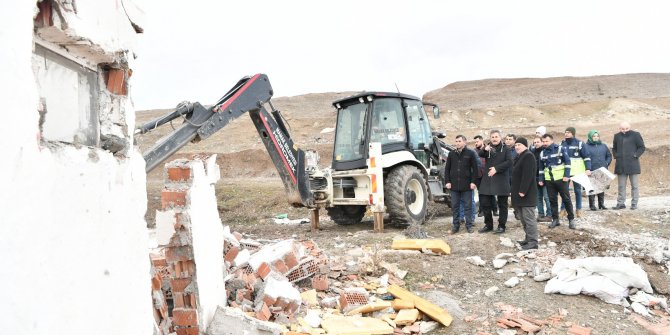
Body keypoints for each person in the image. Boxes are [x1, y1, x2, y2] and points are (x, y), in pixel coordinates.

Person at [478, 130, 513, 234]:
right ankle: (488, 225)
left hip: (501, 178)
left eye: (496, 137)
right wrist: (485, 149)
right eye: (492, 137)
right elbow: (480, 153)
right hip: (488, 179)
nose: (494, 138)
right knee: (485, 202)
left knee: (502, 204)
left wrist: (496, 169)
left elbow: (509, 162)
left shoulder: (506, 148)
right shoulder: (488, 148)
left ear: (500, 138)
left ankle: (502, 226)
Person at [538, 133, 576, 229]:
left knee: (566, 199)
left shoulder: (560, 149)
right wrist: (541, 179)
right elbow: (541, 168)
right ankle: (555, 220)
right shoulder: (542, 153)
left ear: (551, 140)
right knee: (552, 200)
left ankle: (571, 219)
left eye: (546, 141)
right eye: (543, 141)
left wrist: (566, 175)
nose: (545, 143)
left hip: (561, 179)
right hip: (549, 180)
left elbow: (568, 162)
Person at [445, 135, 478, 233]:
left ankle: (469, 226)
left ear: (464, 142)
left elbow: (475, 169)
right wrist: (447, 181)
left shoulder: (471, 153)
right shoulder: (451, 154)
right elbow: (447, 169)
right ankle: (456, 226)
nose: (457, 143)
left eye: (459, 141)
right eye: (456, 141)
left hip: (467, 185)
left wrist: (473, 182)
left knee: (468, 206)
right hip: (454, 185)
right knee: (455, 206)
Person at [511, 137, 539, 250]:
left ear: (525, 146)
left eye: (519, 145)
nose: (517, 147)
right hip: (519, 194)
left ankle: (533, 242)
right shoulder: (519, 157)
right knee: (523, 218)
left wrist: (523, 190)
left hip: (526, 194)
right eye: (516, 145)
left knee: (529, 219)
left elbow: (527, 175)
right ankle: (528, 239)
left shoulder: (528, 156)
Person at [612, 122, 645, 210]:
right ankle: (620, 203)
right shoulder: (617, 136)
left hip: (632, 164)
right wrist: (616, 155)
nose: (624, 130)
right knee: (621, 186)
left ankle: (634, 204)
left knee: (634, 186)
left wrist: (635, 155)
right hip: (620, 165)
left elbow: (642, 147)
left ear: (629, 127)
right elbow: (614, 148)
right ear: (619, 128)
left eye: (626, 128)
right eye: (622, 129)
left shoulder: (636, 135)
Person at [560, 127, 592, 218]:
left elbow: (587, 157)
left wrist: (588, 168)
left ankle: (579, 210)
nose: (566, 134)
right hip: (566, 172)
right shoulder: (562, 144)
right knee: (564, 192)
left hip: (578, 172)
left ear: (573, 133)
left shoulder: (580, 143)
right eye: (565, 132)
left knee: (578, 191)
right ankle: (563, 210)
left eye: (568, 132)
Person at [585, 130, 612, 210]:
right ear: (590, 137)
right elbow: (584, 157)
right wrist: (587, 168)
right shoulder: (586, 146)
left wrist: (606, 163)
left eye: (597, 136)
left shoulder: (603, 146)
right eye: (594, 136)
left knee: (601, 187)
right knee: (591, 188)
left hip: (602, 169)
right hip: (591, 169)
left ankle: (601, 204)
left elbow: (609, 156)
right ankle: (592, 205)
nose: (596, 137)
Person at [530, 136, 552, 221]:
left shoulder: (545, 151)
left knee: (547, 197)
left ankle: (550, 215)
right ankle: (541, 214)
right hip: (535, 178)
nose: (536, 144)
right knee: (538, 197)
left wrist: (542, 179)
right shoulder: (532, 152)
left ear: (542, 142)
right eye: (534, 142)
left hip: (545, 178)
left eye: (538, 142)